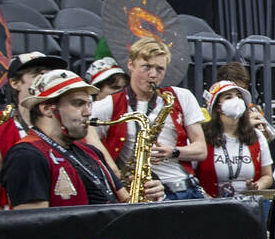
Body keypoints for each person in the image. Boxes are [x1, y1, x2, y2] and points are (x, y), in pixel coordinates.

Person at [1, 69, 164, 208]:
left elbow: (126, 201)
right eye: (78, 104)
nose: (87, 113)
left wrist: (146, 198)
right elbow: (35, 227)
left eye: (88, 104)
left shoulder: (92, 152)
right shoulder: (26, 155)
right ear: (46, 108)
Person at [89, 36, 208, 201]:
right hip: (144, 193)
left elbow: (201, 150)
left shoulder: (181, 96)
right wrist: (115, 174)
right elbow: (87, 136)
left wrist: (173, 152)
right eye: (146, 67)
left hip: (185, 189)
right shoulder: (109, 105)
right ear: (130, 65)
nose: (153, 75)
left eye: (160, 69)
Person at [0, 51, 68, 210]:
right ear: (15, 83)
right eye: (39, 74)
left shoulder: (72, 127)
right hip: (22, 226)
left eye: (50, 74)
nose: (47, 79)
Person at [195, 80, 273, 197]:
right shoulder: (202, 135)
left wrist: (257, 186)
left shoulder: (256, 135)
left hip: (249, 205)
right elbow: (190, 175)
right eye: (228, 97)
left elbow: (267, 176)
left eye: (239, 96)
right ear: (217, 107)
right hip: (211, 204)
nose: (236, 100)